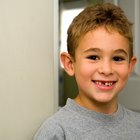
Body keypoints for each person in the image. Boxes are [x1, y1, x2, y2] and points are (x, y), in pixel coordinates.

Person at [34, 3, 140, 140]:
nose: (106, 70)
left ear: (130, 66)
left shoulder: (137, 125)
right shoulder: (57, 131)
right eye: (93, 57)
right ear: (70, 64)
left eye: (117, 58)